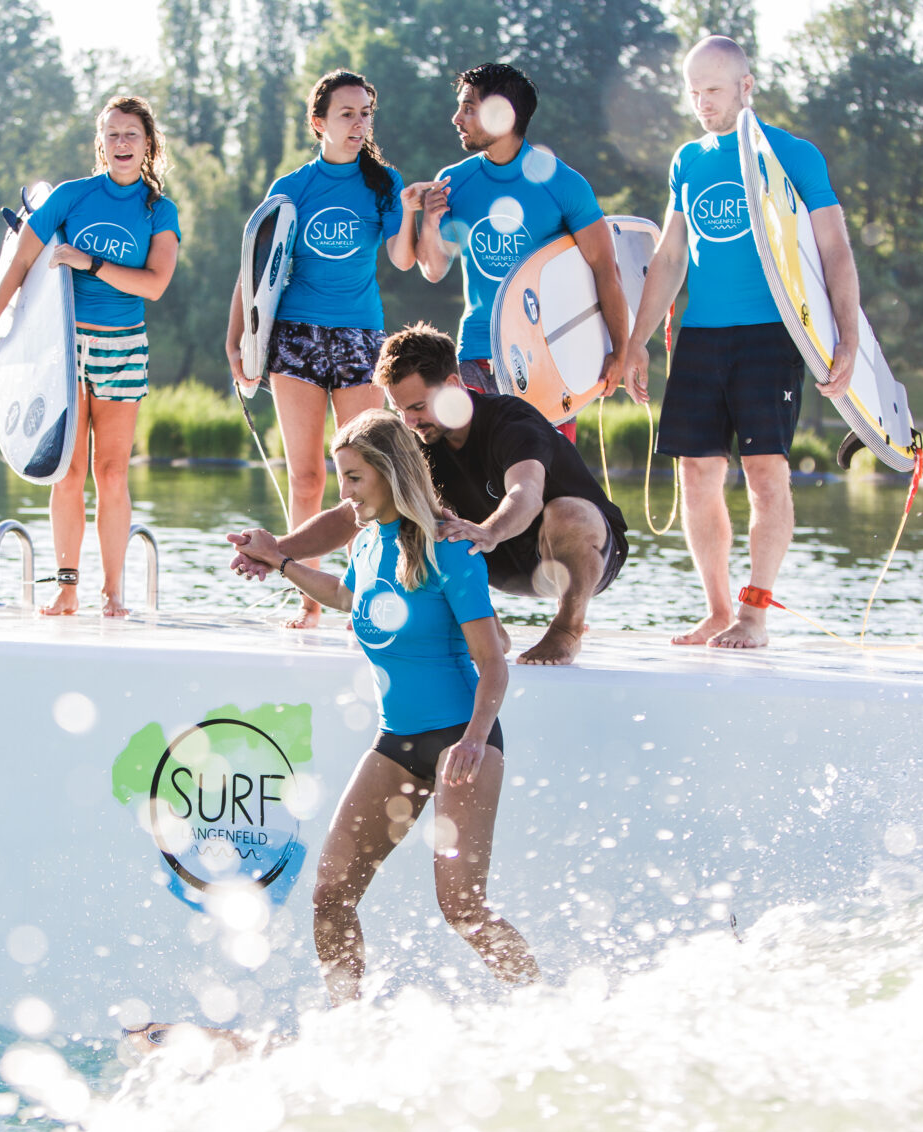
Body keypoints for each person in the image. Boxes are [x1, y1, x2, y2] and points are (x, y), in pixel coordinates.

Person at [232, 410, 538, 1006]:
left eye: (354, 479)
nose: (345, 495)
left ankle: (545, 1006)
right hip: (396, 741)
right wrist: (284, 563)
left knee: (463, 908)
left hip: (461, 739)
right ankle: (346, 1026)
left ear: (391, 474)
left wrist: (475, 739)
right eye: (340, 478)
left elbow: (493, 661)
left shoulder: (452, 549)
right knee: (331, 892)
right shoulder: (369, 539)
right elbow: (350, 598)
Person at [624, 37, 858, 649]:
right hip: (700, 336)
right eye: (694, 92)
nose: (702, 104)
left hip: (771, 334)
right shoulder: (689, 160)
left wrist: (848, 336)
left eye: (714, 91)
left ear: (746, 87)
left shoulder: (794, 156)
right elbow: (670, 255)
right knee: (697, 474)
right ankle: (718, 608)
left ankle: (755, 612)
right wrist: (636, 341)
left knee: (764, 473)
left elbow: (834, 249)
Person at [230, 323, 630, 666]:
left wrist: (488, 531)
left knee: (570, 513)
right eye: (400, 411)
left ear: (453, 385)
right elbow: (351, 513)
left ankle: (567, 627)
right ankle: (489, 629)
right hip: (498, 561)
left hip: (578, 552)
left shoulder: (512, 421)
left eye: (418, 407)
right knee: (416, 516)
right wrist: (275, 549)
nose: (410, 422)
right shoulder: (415, 440)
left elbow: (525, 494)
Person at [225, 70, 420, 629]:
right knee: (307, 476)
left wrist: (409, 211)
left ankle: (373, 587)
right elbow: (253, 271)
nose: (358, 124)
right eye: (346, 114)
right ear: (319, 122)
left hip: (360, 336)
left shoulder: (384, 184)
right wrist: (235, 338)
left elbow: (404, 260)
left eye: (365, 114)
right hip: (297, 337)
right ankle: (307, 595)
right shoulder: (292, 187)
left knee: (369, 474)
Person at [0, 95, 180, 617]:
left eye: (131, 135)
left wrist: (89, 263)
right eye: (111, 134)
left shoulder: (160, 211)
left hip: (122, 347)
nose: (121, 144)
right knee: (68, 472)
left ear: (148, 145)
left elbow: (155, 285)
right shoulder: (71, 197)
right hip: (63, 350)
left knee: (111, 474)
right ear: (101, 143)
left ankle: (112, 593)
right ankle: (67, 586)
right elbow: (21, 261)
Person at [410, 62, 628, 441]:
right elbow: (433, 270)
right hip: (477, 349)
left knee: (550, 481)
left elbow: (605, 269)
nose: (456, 118)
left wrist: (619, 351)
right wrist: (429, 223)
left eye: (468, 108)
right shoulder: (455, 181)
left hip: (547, 357)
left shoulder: (563, 185)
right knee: (474, 479)